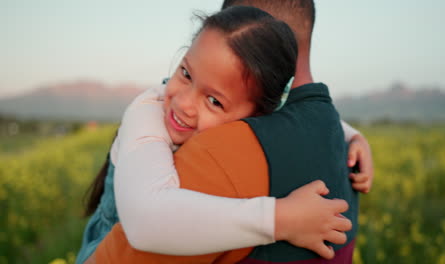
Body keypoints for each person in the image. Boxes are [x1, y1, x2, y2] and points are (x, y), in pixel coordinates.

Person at [87, 1, 376, 263]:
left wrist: (352, 136)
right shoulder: (148, 110)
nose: (184, 103)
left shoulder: (256, 111)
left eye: (214, 101)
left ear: (260, 114)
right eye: (186, 73)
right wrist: (283, 218)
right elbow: (144, 222)